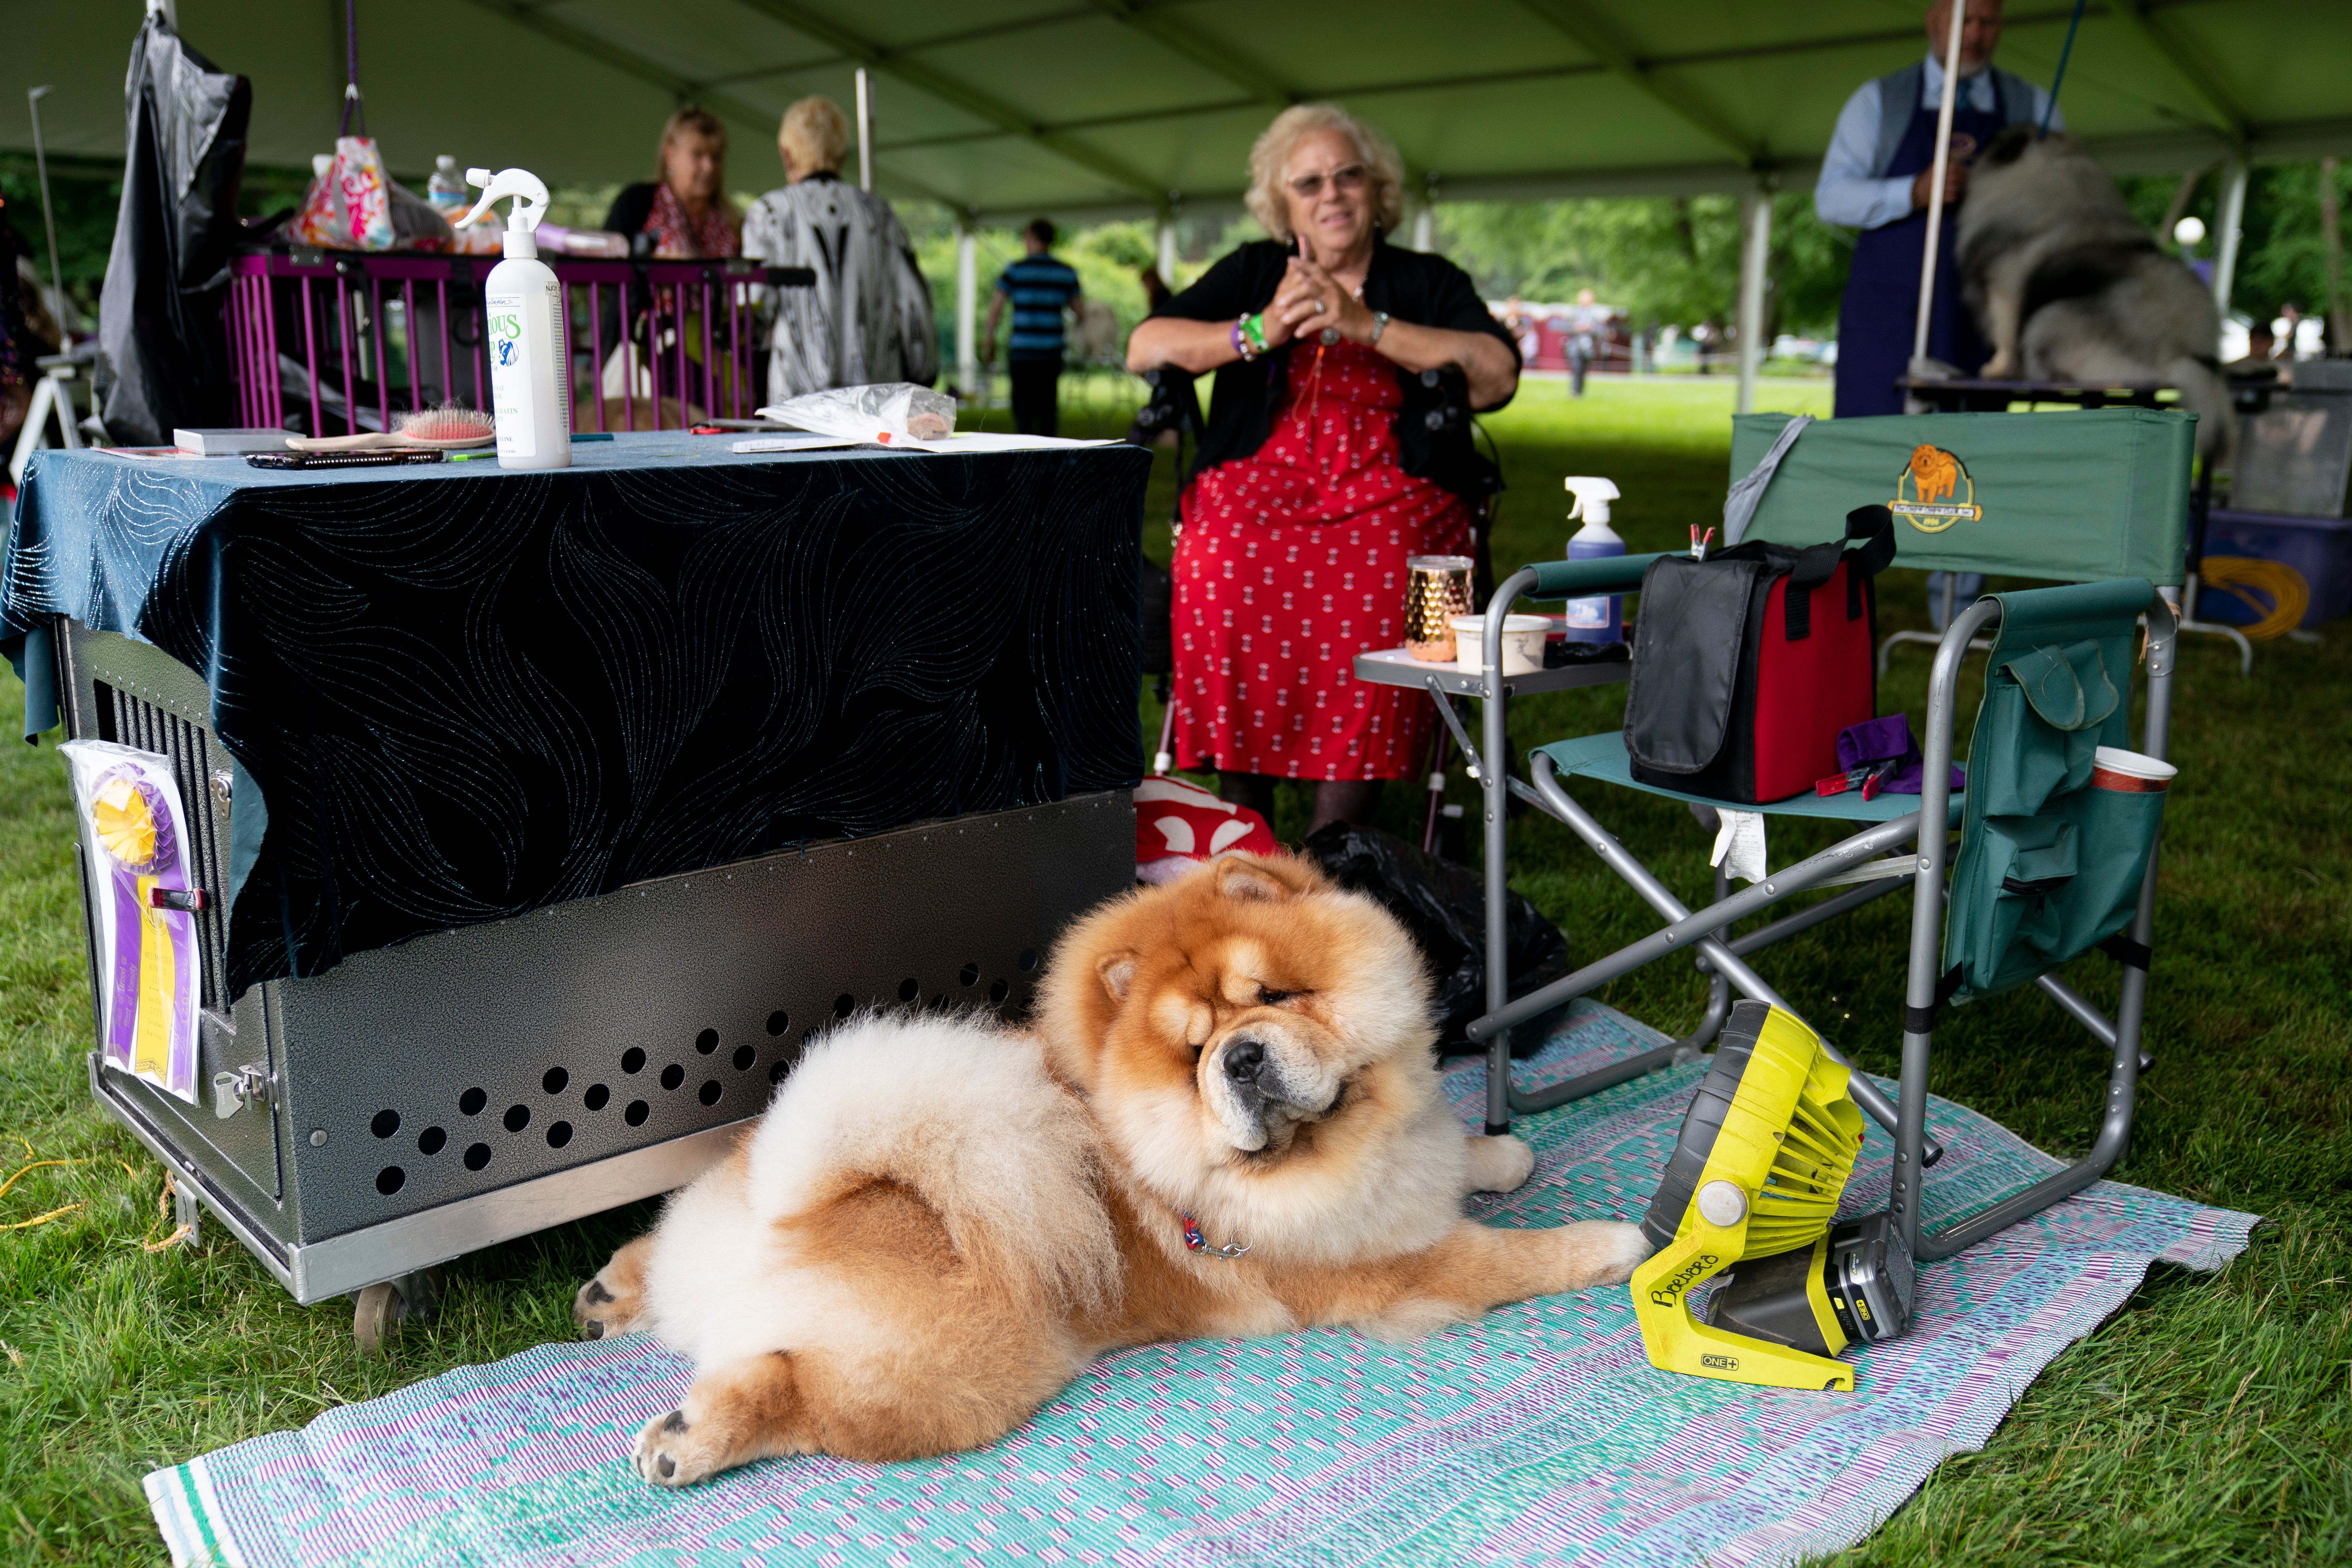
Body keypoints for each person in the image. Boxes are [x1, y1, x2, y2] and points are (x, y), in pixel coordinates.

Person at [1127, 103, 1520, 834]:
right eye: (1307, 183)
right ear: (1283, 205)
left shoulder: (1425, 279)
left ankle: (1334, 841)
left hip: (1391, 483)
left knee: (1382, 567)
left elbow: (1495, 375)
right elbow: (1145, 344)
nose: (1330, 194)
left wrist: (1367, 325)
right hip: (1261, 478)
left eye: (1347, 176)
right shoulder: (1253, 270)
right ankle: (1247, 827)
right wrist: (1259, 330)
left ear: (1377, 193)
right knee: (1217, 556)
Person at [1817, 0, 2057, 621]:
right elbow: (1832, 197)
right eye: (1964, 19)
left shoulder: (2033, 106)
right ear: (1933, 18)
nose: (1976, 34)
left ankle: (1955, 610)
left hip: (1980, 318)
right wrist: (1913, 191)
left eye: (1989, 21)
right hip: (1890, 314)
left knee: (1970, 462)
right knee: (1865, 452)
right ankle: (1834, 602)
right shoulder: (1880, 102)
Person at [742, 96, 938, 403]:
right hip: (875, 405)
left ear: (786, 155)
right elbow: (913, 304)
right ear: (842, 154)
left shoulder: (768, 213)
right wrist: (924, 373)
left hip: (797, 408)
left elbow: (754, 314)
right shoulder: (879, 213)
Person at [602, 106, 741, 260]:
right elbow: (606, 268)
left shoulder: (732, 222)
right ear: (670, 155)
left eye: (716, 157)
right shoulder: (637, 203)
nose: (709, 167)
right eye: (697, 155)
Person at [984, 220, 1082, 436]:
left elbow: (995, 311)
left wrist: (989, 340)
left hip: (1022, 351)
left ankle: (1026, 453)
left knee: (1023, 409)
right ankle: (1049, 453)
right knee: (1048, 408)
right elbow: (1080, 312)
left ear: (1032, 238)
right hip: (1051, 351)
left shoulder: (1015, 271)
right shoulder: (1066, 272)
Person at [1566, 287, 1601, 397]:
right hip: (1576, 347)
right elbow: (1565, 327)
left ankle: (1580, 391)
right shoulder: (1574, 314)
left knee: (1583, 370)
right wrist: (1577, 328)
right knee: (1576, 368)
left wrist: (1591, 328)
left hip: (1588, 347)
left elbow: (1600, 331)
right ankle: (1575, 392)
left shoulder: (1594, 315)